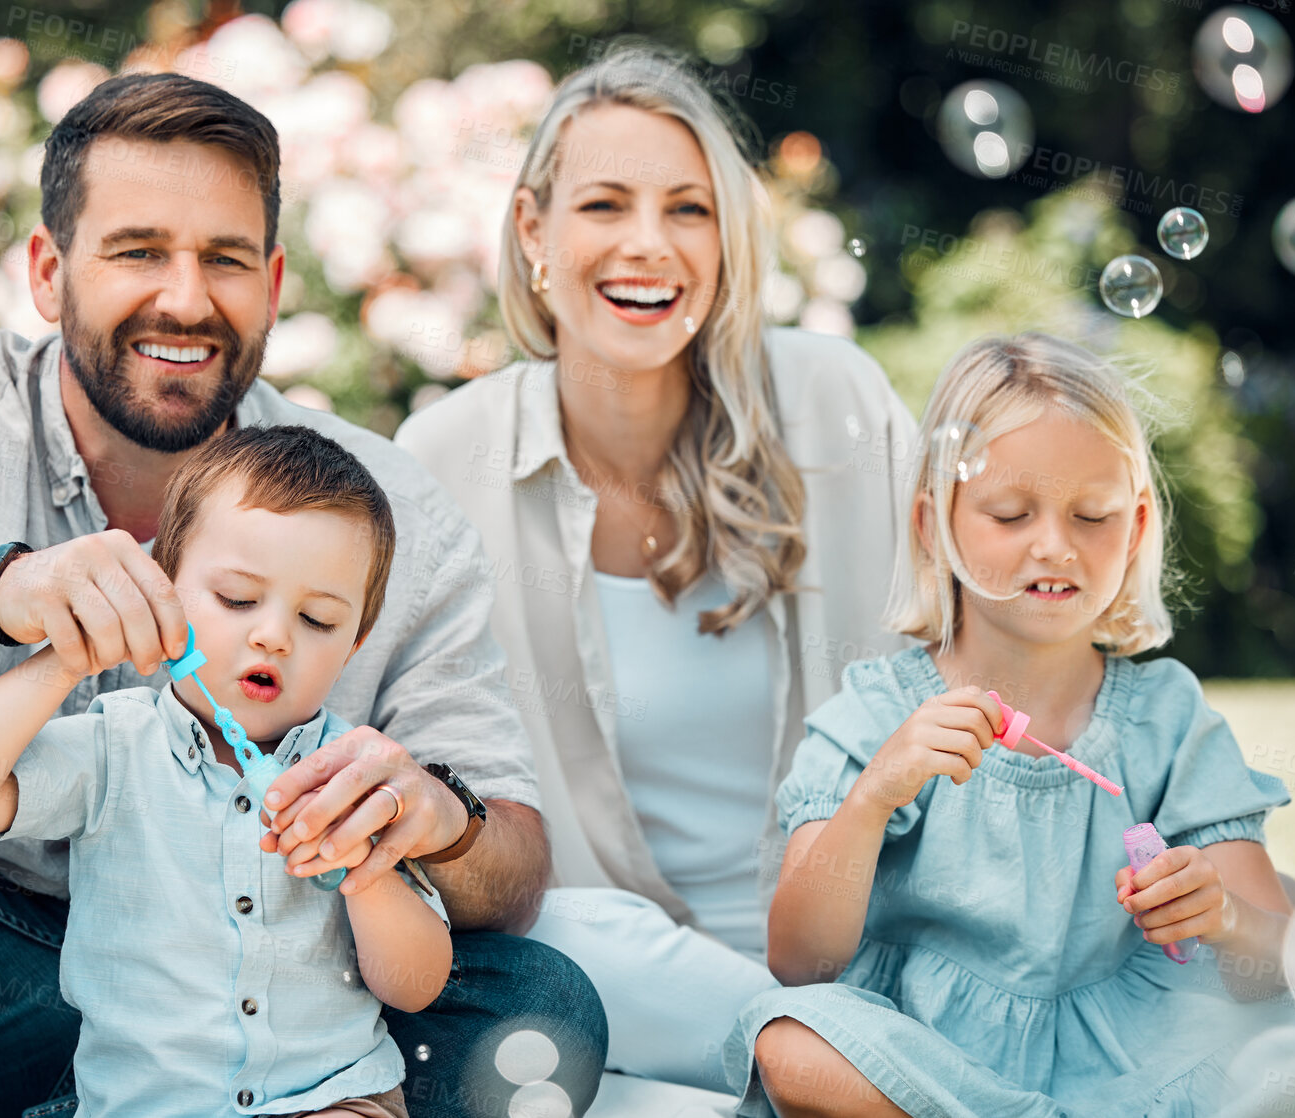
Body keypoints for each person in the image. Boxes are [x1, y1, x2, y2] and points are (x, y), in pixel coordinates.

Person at [0, 73, 605, 1118]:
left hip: (249, 997)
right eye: (137, 251)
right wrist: (0, 592)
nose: (184, 298)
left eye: (223, 259)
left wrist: (429, 815)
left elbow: (513, 866)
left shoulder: (385, 511)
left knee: (541, 1009)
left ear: (270, 284)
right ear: (49, 271)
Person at [393, 46, 917, 1092]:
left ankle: (839, 1061)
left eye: (689, 209)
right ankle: (847, 1071)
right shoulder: (443, 459)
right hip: (615, 969)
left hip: (853, 943)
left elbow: (966, 648)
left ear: (727, 240)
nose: (649, 245)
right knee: (560, 936)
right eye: (605, 205)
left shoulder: (835, 403)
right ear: (535, 232)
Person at [733, 333, 1295, 1117]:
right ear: (936, 526)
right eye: (1010, 512)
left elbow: (1282, 962)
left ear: (1135, 529)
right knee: (788, 1042)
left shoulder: (1166, 718)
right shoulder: (875, 717)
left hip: (1129, 1051)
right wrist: (872, 798)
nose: (1055, 545)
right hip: (926, 1052)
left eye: (1092, 515)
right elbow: (799, 961)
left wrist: (1224, 916)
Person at [0, 425, 450, 1118]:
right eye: (238, 600)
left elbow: (417, 986)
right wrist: (69, 656)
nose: (274, 634)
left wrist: (366, 878)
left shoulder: (357, 778)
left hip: (330, 1099)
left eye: (317, 619)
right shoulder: (115, 748)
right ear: (161, 592)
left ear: (355, 643)